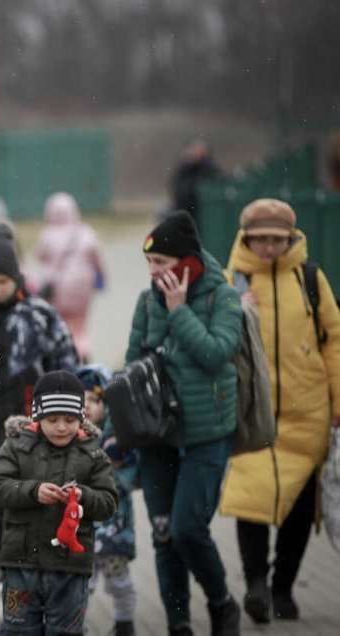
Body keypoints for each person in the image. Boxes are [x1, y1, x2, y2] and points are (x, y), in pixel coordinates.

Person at [218, 199, 340, 624]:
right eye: (261, 239)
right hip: (253, 414)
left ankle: (283, 586)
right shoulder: (231, 280)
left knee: (300, 508)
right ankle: (255, 583)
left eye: (277, 239)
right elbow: (217, 340)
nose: (269, 247)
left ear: (290, 238)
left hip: (308, 411)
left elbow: (334, 340)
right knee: (252, 500)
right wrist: (236, 309)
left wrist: (338, 402)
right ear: (246, 238)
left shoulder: (310, 278)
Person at [127, 210, 242, 636]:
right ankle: (179, 624)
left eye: (161, 264)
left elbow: (216, 354)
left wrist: (178, 313)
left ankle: (222, 602)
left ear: (186, 262)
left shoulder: (221, 297)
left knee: (188, 530)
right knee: (163, 535)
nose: (154, 274)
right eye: (149, 265)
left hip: (207, 435)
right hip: (157, 436)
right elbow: (133, 364)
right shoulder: (145, 301)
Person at [0, 233, 79, 584]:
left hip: (27, 429)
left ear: (15, 278)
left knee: (18, 507)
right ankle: (3, 569)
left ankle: (19, 576)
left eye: (2, 281)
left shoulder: (38, 315)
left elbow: (66, 366)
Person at [0, 370, 118, 636]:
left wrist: (83, 495)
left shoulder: (93, 453)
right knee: (17, 630)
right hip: (20, 566)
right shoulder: (16, 446)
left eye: (69, 420)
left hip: (70, 569)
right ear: (37, 416)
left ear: (81, 417)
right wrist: (33, 492)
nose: (61, 427)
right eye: (52, 419)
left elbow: (108, 502)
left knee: (66, 632)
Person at [78, 366, 138, 636]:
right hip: (81, 530)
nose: (87, 406)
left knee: (119, 581)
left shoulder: (117, 440)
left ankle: (125, 622)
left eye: (94, 400)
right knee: (81, 583)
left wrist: (111, 462)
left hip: (114, 528)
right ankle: (74, 624)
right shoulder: (70, 437)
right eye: (81, 400)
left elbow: (128, 479)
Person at [33, 192, 105, 361]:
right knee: (80, 324)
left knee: (60, 323)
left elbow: (39, 256)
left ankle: (64, 353)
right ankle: (83, 350)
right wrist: (101, 281)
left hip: (56, 289)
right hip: (83, 288)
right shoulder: (86, 232)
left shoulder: (47, 234)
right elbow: (98, 260)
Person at [169, 139, 221, 225]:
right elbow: (177, 186)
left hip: (201, 211)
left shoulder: (208, 167)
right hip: (185, 208)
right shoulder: (185, 167)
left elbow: (213, 180)